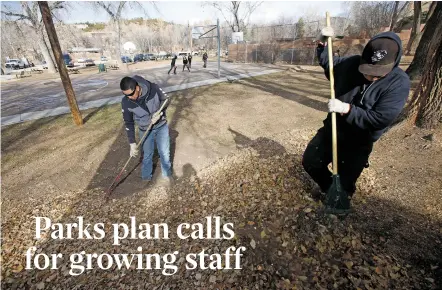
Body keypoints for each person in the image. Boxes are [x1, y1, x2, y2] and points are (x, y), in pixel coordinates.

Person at [302, 28, 410, 210]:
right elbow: (329, 62)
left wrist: (346, 109)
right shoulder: (351, 64)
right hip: (334, 129)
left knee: (346, 182)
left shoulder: (399, 83)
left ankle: (340, 197)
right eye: (368, 71)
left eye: (379, 73)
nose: (372, 76)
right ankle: (329, 188)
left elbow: (379, 119)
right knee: (311, 161)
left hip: (359, 141)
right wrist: (322, 43)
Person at [120, 76, 174, 185]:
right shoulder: (126, 102)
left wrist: (159, 113)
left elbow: (166, 99)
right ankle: (146, 177)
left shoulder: (153, 88)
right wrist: (132, 143)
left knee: (164, 152)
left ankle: (167, 174)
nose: (129, 97)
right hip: (144, 130)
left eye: (131, 94)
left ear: (138, 88)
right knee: (147, 154)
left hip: (161, 126)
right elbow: (129, 123)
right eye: (126, 95)